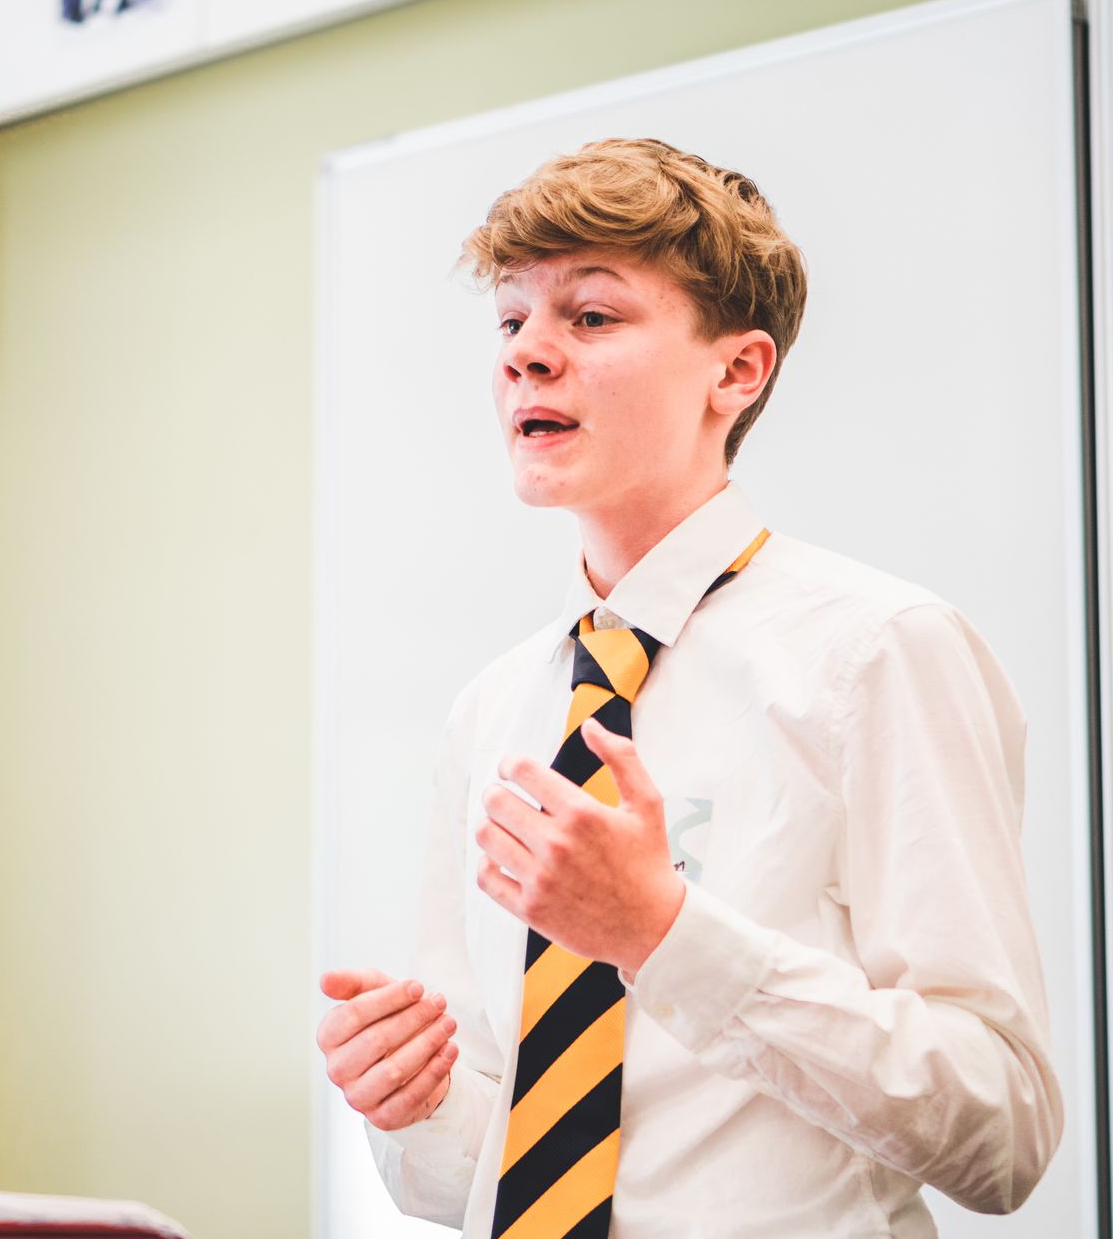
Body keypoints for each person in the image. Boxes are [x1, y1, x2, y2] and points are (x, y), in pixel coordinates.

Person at [314, 137, 1063, 1237]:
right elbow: (473, 1179)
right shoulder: (496, 709)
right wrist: (412, 1101)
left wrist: (664, 932)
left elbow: (1005, 1131)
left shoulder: (881, 649)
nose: (529, 354)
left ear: (738, 370)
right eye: (512, 319)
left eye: (593, 316)